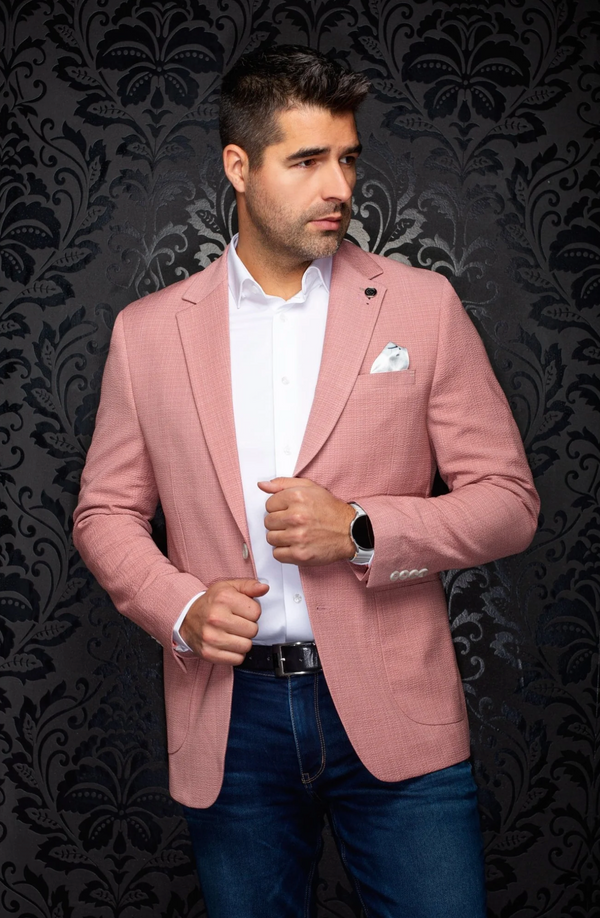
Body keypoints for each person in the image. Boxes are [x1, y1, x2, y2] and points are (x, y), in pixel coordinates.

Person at [73, 45, 540, 918]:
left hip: (397, 707)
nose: (339, 186)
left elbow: (510, 504)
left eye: (348, 158)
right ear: (238, 167)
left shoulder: (422, 306)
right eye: (307, 161)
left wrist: (361, 529)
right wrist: (182, 606)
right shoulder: (147, 334)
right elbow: (104, 511)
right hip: (231, 716)